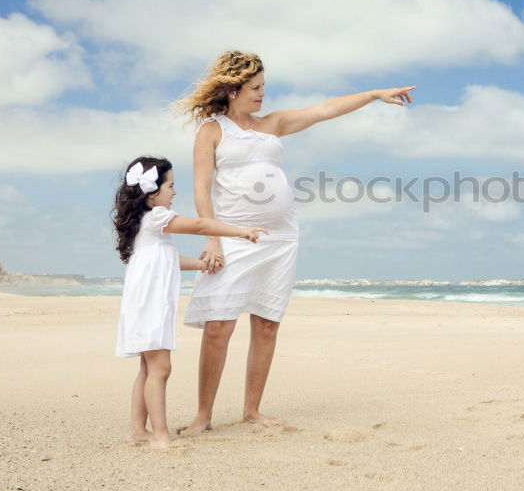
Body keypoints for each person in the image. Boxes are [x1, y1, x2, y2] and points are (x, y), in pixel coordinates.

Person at [175, 50, 414, 433]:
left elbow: (324, 110)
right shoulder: (212, 130)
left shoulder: (274, 124)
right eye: (254, 88)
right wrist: (214, 238)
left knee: (267, 325)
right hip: (233, 235)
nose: (261, 94)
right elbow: (201, 189)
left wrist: (371, 95)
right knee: (219, 325)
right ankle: (203, 415)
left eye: (263, 87)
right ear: (233, 89)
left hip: (281, 238)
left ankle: (251, 410)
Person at [112, 155, 267, 448]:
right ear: (153, 191)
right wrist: (241, 231)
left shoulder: (144, 225)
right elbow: (197, 225)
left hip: (142, 303)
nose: (174, 191)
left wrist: (202, 265)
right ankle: (160, 435)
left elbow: (164, 259)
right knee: (160, 368)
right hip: (151, 304)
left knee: (148, 368)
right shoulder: (157, 217)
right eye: (171, 185)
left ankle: (136, 430)